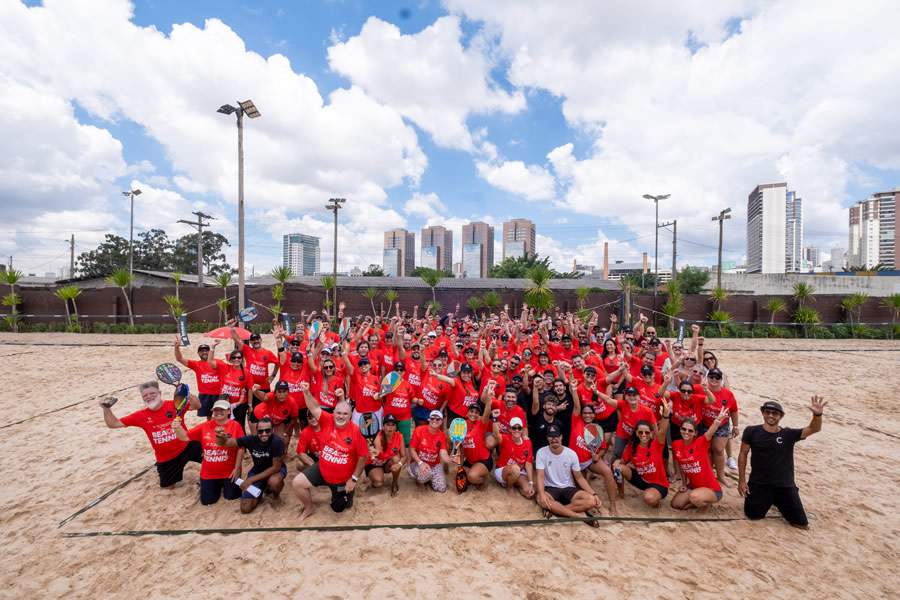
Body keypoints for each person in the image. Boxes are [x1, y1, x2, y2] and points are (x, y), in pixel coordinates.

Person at [739, 397, 827, 529]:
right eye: (767, 412)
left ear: (781, 416)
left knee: (801, 524)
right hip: (759, 484)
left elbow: (814, 429)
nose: (770, 415)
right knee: (753, 515)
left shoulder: (789, 434)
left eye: (775, 413)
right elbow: (743, 454)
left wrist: (817, 415)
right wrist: (742, 480)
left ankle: (786, 498)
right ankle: (774, 501)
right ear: (762, 412)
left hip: (784, 485)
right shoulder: (751, 431)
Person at [99, 381, 201, 488]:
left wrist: (186, 392)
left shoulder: (174, 404)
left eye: (152, 393)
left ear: (159, 392)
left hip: (187, 445)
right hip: (167, 457)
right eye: (145, 395)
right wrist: (106, 409)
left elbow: (197, 405)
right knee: (168, 487)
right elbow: (113, 424)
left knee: (214, 458)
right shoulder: (140, 415)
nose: (149, 397)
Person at [292, 382, 368, 521]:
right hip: (322, 469)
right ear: (333, 413)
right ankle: (309, 507)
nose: (341, 416)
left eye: (345, 414)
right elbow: (314, 407)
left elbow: (363, 457)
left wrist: (354, 479)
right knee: (297, 483)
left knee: (339, 508)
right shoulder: (327, 420)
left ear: (350, 416)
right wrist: (306, 392)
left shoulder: (355, 432)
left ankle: (345, 493)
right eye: (338, 413)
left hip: (342, 479)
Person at [172, 398, 245, 505]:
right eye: (216, 410)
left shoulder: (235, 426)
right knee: (207, 501)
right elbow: (184, 437)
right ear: (212, 411)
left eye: (222, 409)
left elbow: (241, 448)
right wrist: (177, 428)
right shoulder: (205, 426)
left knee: (232, 497)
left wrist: (237, 468)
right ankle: (207, 484)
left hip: (229, 473)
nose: (219, 412)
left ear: (229, 411)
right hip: (209, 474)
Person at [215, 417, 286, 514]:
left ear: (272, 430)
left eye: (267, 430)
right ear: (256, 431)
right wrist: (219, 437)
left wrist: (251, 480)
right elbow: (226, 443)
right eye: (260, 431)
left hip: (275, 471)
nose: (264, 433)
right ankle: (261, 490)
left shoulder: (277, 442)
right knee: (245, 508)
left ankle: (276, 495)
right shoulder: (251, 439)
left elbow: (275, 467)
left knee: (274, 482)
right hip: (257, 470)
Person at [535, 425, 603, 525]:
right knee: (540, 498)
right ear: (547, 438)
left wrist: (594, 493)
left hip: (568, 487)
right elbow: (540, 476)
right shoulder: (541, 452)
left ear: (561, 437)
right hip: (550, 488)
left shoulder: (571, 454)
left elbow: (579, 478)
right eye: (551, 436)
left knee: (591, 501)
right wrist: (541, 494)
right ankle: (578, 516)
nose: (554, 439)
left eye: (556, 436)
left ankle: (557, 511)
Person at [613, 399, 671, 508]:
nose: (644, 435)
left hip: (659, 484)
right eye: (640, 432)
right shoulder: (632, 446)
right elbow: (622, 462)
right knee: (617, 468)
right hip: (642, 480)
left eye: (647, 432)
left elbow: (662, 431)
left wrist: (666, 416)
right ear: (636, 433)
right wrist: (616, 463)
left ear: (651, 433)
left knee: (649, 498)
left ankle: (655, 499)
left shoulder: (656, 444)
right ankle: (621, 494)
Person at [670, 408, 729, 510]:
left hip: (712, 489)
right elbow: (681, 465)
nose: (686, 432)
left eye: (690, 430)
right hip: (693, 486)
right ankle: (696, 499)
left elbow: (710, 432)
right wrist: (684, 483)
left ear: (695, 433)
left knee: (694, 497)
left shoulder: (700, 442)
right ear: (680, 430)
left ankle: (705, 503)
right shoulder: (676, 444)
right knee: (676, 504)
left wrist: (717, 421)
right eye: (683, 429)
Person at [174, 338, 222, 419]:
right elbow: (179, 359)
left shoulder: (219, 362)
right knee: (209, 416)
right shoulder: (196, 364)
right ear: (198, 353)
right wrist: (176, 348)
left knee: (220, 416)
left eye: (206, 350)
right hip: (205, 394)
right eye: (201, 351)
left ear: (210, 351)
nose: (204, 352)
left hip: (218, 394)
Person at [408, 410, 453, 493]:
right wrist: (420, 463)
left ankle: (430, 479)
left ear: (441, 421)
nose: (434, 421)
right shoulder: (419, 430)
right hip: (418, 462)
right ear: (429, 419)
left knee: (441, 488)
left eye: (437, 419)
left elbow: (443, 452)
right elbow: (412, 449)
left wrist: (449, 459)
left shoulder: (442, 435)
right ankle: (418, 480)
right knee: (425, 475)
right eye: (432, 418)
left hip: (434, 464)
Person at [492, 417, 535, 499]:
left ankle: (516, 484)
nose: (517, 430)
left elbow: (528, 464)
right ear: (510, 429)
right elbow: (495, 434)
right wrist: (494, 419)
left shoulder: (527, 442)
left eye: (519, 428)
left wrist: (530, 482)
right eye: (514, 428)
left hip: (519, 472)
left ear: (522, 430)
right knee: (515, 469)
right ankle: (509, 487)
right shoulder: (505, 438)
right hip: (502, 470)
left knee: (530, 493)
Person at [367, 414, 405, 496]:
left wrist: (399, 464)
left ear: (396, 427)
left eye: (393, 425)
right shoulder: (378, 437)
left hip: (386, 461)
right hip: (375, 463)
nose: (390, 427)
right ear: (383, 427)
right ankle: (373, 480)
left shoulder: (400, 436)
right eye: (387, 425)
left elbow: (404, 456)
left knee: (396, 459)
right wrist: (393, 458)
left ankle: (394, 482)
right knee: (378, 483)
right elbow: (380, 456)